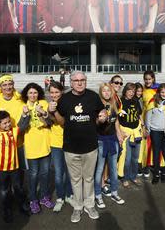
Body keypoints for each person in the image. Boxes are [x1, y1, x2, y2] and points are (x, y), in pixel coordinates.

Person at [49, 71, 107, 223]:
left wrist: (103, 117)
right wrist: (54, 111)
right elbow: (61, 122)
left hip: (90, 146)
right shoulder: (65, 99)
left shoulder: (93, 96)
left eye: (82, 80)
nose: (79, 83)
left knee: (88, 178)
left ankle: (89, 205)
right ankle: (78, 207)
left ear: (86, 81)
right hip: (70, 147)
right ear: (71, 82)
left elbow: (101, 112)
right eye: (76, 80)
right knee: (75, 180)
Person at [0, 110, 29, 223]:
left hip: (14, 167)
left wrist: (25, 114)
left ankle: (22, 205)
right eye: (4, 123)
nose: (7, 125)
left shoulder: (14, 131)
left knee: (18, 187)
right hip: (1, 169)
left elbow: (23, 125)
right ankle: (6, 209)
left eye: (8, 122)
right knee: (4, 190)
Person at [20, 82, 54, 214]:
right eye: (30, 93)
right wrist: (25, 115)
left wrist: (43, 113)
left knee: (45, 174)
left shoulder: (43, 104)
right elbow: (21, 128)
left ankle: (44, 197)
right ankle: (33, 199)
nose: (33, 95)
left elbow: (50, 123)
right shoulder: (23, 106)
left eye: (35, 92)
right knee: (33, 175)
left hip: (45, 144)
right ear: (26, 94)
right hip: (31, 146)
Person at [94, 83, 125, 209]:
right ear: (101, 92)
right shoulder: (97, 105)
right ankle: (97, 195)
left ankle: (114, 193)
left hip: (113, 139)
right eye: (104, 91)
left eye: (108, 91)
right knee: (100, 169)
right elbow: (95, 122)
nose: (106, 93)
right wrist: (99, 120)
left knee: (113, 168)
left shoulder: (113, 103)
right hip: (101, 140)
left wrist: (119, 135)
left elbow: (116, 120)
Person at [47, 81, 74, 212]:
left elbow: (64, 123)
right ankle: (60, 197)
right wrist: (47, 112)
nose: (54, 94)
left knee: (69, 172)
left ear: (62, 92)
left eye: (57, 92)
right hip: (55, 143)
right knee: (58, 173)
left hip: (69, 141)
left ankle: (69, 195)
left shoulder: (68, 103)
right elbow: (49, 121)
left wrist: (55, 111)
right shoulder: (49, 105)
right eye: (51, 92)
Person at [118, 82, 144, 188]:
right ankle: (125, 177)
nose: (131, 93)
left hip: (136, 132)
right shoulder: (121, 102)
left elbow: (139, 115)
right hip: (126, 133)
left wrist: (143, 126)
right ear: (125, 91)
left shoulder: (136, 101)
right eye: (129, 91)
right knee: (127, 158)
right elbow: (117, 118)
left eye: (133, 91)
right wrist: (120, 132)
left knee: (135, 157)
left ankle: (133, 176)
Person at [145, 83, 165, 184]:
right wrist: (148, 129)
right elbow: (148, 117)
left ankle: (164, 172)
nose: (164, 94)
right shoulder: (153, 102)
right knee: (156, 152)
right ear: (159, 92)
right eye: (162, 92)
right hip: (155, 131)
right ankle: (156, 173)